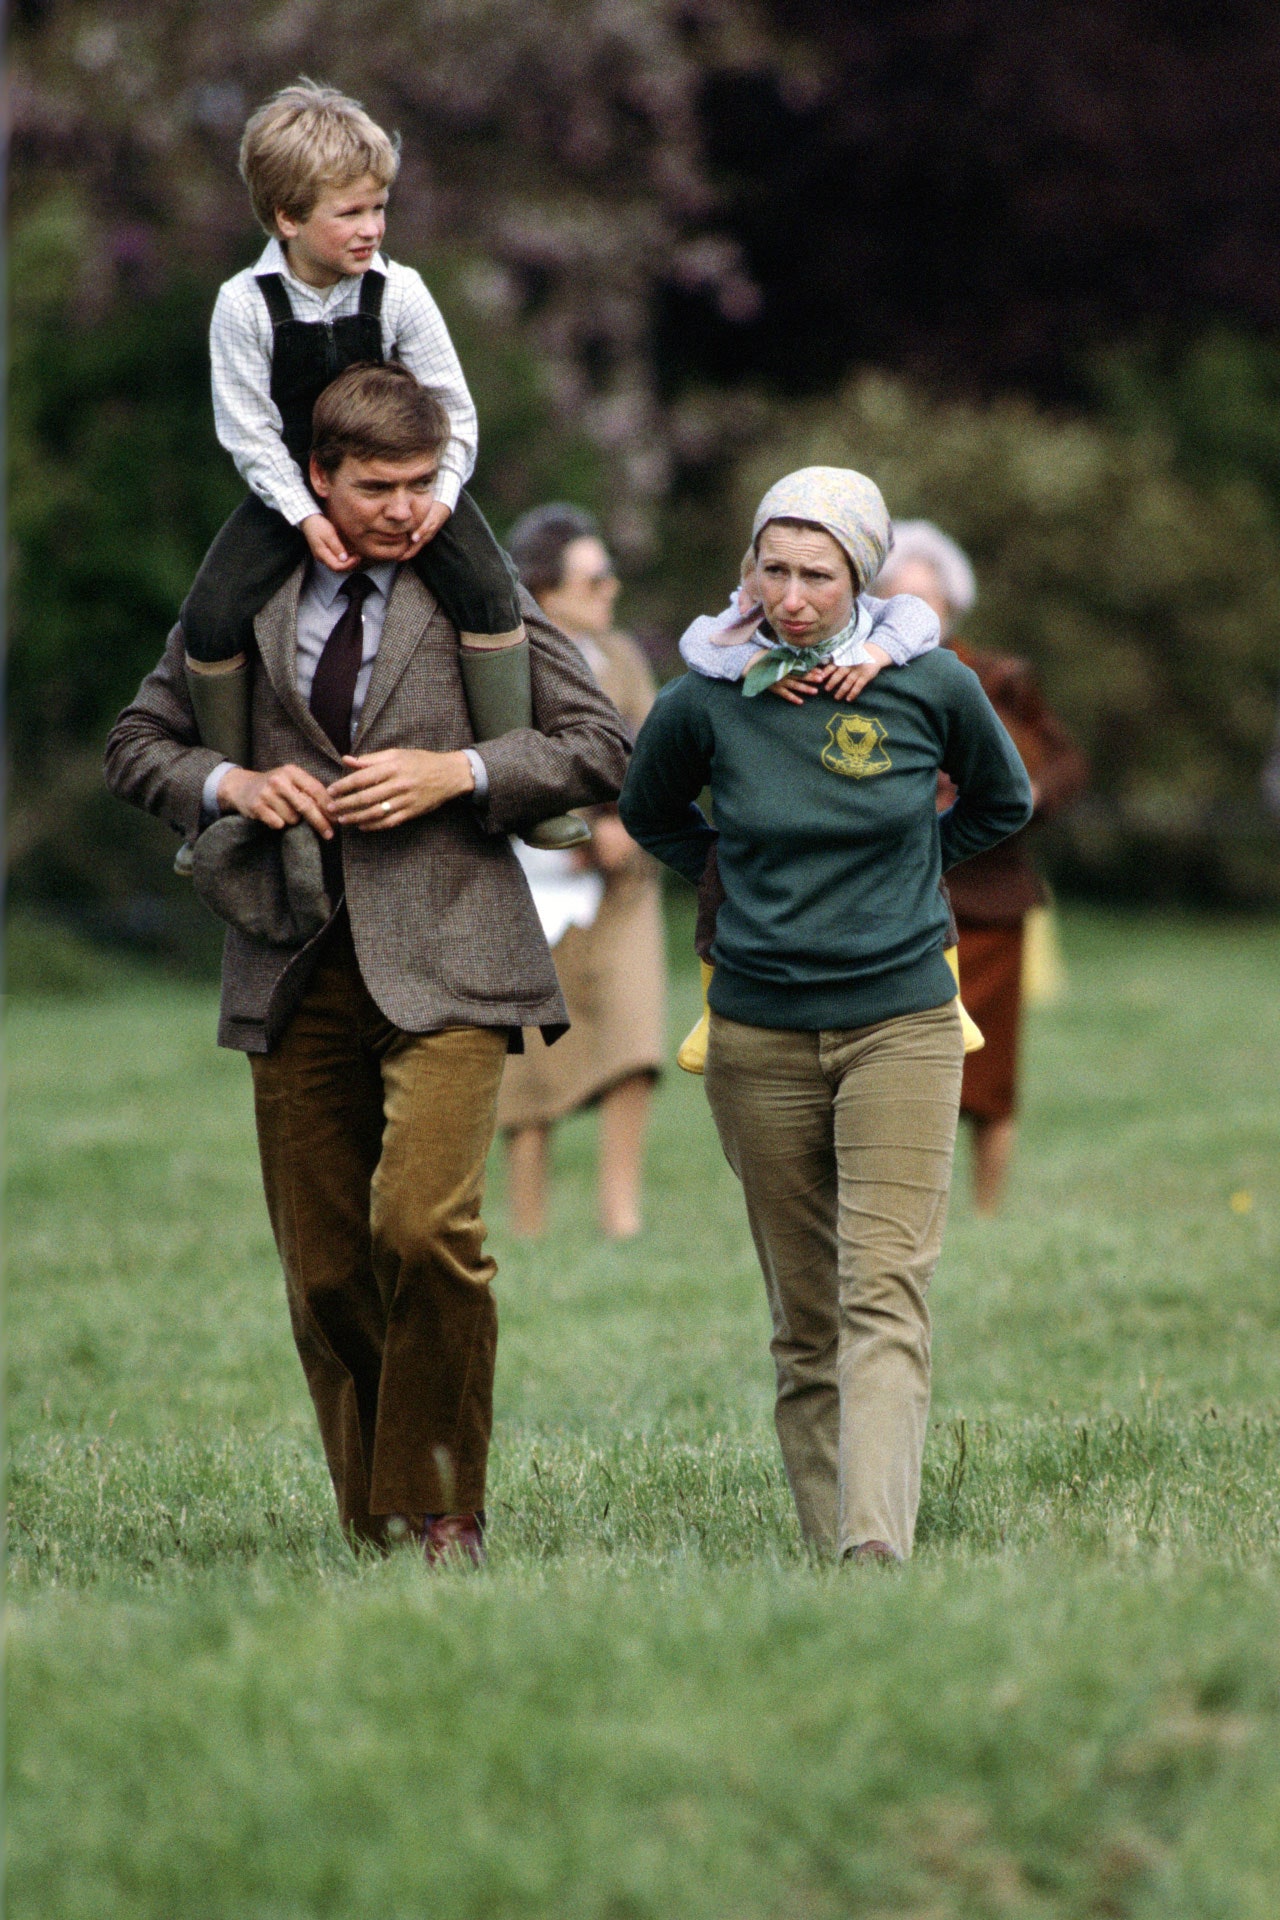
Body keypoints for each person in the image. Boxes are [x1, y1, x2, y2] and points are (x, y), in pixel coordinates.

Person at [104, 363, 631, 1564]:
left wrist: (464, 771)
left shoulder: (476, 593)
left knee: (419, 1228)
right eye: (376, 486)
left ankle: (448, 1506)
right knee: (328, 1271)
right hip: (287, 961)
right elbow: (137, 744)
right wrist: (229, 782)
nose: (404, 508)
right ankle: (379, 1524)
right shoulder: (241, 601)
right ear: (318, 480)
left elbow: (599, 743)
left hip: (455, 954)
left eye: (421, 481)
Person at [619, 467, 1033, 1564]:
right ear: (746, 570)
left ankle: (872, 1561)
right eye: (774, 569)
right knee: (805, 1325)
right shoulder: (703, 698)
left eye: (818, 574)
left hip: (899, 1017)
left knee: (883, 1296)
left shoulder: (927, 685)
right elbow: (646, 808)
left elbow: (1004, 799)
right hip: (756, 1034)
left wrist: (912, 871)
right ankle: (825, 1547)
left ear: (860, 576)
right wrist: (725, 873)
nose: (792, 596)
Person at [180, 77, 583, 860]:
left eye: (379, 208)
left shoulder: (400, 291)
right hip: (293, 489)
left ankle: (518, 790)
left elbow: (454, 408)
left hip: (404, 481)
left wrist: (441, 495)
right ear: (288, 217)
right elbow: (249, 430)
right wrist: (302, 512)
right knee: (213, 612)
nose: (373, 228)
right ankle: (221, 807)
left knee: (490, 591)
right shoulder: (243, 304)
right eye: (351, 213)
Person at [875, 522, 1088, 1214]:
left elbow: (1065, 763)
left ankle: (989, 1212)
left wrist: (1025, 797)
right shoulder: (857, 679)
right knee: (892, 1072)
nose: (916, 619)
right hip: (888, 902)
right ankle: (902, 1207)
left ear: (953, 608)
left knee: (989, 1075)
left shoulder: (998, 680)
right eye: (897, 602)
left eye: (927, 604)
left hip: (989, 897)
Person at [495, 506, 666, 1240]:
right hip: (529, 888)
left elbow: (657, 756)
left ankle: (619, 1217)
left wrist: (631, 823)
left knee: (635, 1047)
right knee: (531, 1070)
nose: (610, 589)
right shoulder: (500, 663)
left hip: (621, 892)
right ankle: (528, 1226)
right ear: (544, 589)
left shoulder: (621, 659)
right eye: (593, 578)